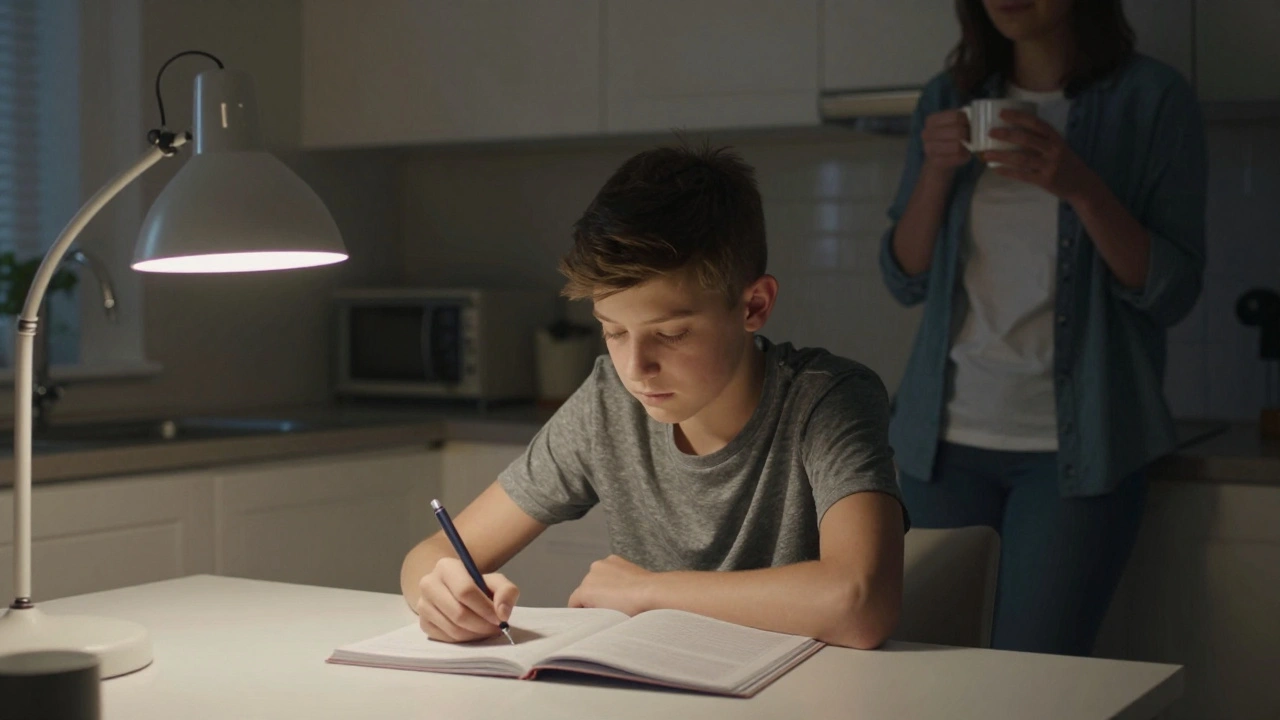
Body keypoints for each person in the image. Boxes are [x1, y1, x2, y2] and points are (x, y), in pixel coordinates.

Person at [401, 142, 907, 649]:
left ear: (753, 306)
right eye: (614, 332)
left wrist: (648, 591)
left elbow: (861, 603)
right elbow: (430, 555)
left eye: (671, 334)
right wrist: (443, 594)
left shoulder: (828, 400)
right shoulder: (608, 403)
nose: (635, 369)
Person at [880, 0, 1205, 656]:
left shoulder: (1153, 98)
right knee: (923, 679)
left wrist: (1081, 185)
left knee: (1034, 683)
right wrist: (938, 171)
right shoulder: (949, 98)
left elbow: (1172, 291)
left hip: (1076, 456)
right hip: (939, 447)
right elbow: (903, 275)